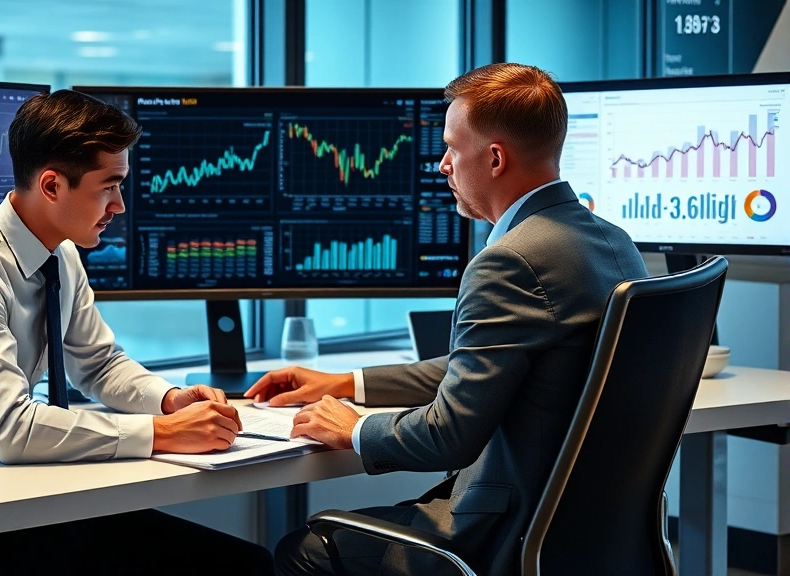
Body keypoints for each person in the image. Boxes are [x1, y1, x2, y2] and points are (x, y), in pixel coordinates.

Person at [246, 63, 649, 576]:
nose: (442, 165)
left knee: (305, 549)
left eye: (452, 149)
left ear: (495, 158)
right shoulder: (612, 242)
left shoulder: (510, 261)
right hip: (587, 531)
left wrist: (356, 429)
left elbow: (449, 435)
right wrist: (349, 381)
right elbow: (487, 366)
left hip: (507, 535)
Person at [0, 89, 273, 575]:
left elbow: (99, 363)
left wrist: (169, 400)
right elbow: (12, 430)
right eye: (109, 186)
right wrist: (161, 433)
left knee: (246, 564)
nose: (119, 205)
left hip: (47, 498)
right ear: (52, 185)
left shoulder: (58, 252)